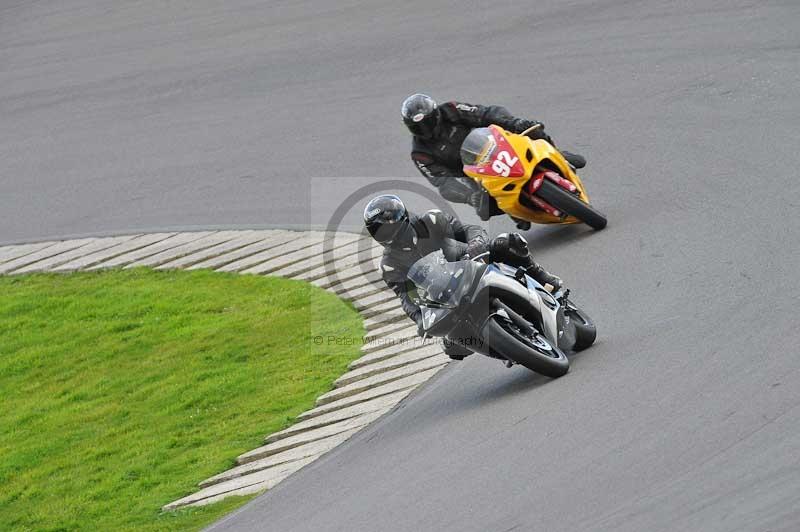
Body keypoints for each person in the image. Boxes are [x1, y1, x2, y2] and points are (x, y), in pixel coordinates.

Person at [363, 194, 563, 360]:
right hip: (445, 294)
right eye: (380, 231)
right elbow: (406, 296)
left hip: (471, 262)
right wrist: (419, 318)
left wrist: (476, 243)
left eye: (389, 226)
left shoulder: (431, 220)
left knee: (507, 242)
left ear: (402, 218)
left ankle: (542, 276)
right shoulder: (390, 264)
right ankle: (507, 351)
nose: (388, 233)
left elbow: (468, 230)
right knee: (452, 347)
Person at [401, 93, 586, 221]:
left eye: (428, 123)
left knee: (531, 130)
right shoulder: (420, 153)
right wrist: (468, 196)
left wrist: (514, 123)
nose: (425, 131)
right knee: (484, 209)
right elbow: (443, 182)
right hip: (473, 174)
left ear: (436, 115)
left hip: (491, 145)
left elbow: (484, 113)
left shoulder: (451, 109)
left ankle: (558, 154)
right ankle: (519, 212)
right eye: (418, 127)